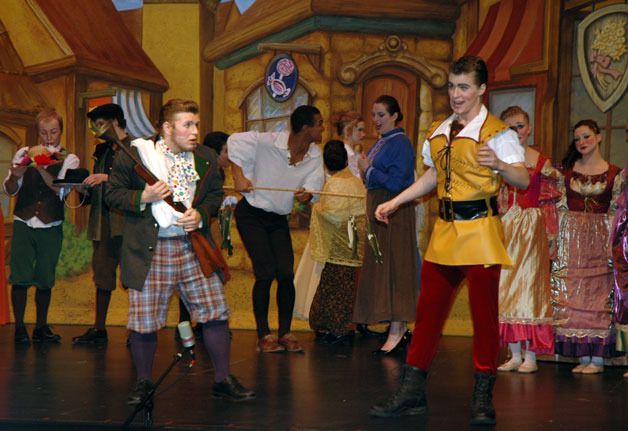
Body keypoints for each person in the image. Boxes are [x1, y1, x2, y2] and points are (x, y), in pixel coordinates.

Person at [369, 56, 529, 425]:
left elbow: (521, 178)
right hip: (445, 231)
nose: (456, 94)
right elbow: (432, 177)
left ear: (481, 89)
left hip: (481, 231)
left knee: (484, 316)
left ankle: (483, 395)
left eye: (464, 87)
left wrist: (500, 165)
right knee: (427, 314)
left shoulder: (497, 133)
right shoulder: (440, 130)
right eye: (452, 86)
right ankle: (412, 391)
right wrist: (396, 201)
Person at [105, 99, 254, 403]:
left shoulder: (206, 157)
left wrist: (201, 214)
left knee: (215, 312)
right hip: (151, 249)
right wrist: (143, 196)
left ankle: (222, 379)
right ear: (167, 127)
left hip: (193, 245)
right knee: (144, 321)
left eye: (196, 124)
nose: (195, 131)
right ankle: (144, 383)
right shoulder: (135, 154)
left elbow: (214, 195)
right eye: (188, 125)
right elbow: (113, 194)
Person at [228, 105, 324, 353]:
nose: (322, 129)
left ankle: (285, 333)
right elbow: (234, 140)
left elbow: (314, 184)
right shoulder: (268, 142)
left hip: (278, 218)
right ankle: (263, 335)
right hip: (251, 213)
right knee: (265, 272)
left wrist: (307, 194)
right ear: (306, 127)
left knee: (285, 272)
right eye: (319, 124)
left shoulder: (315, 155)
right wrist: (238, 176)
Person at [552, 119, 623, 374]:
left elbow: (616, 210)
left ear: (598, 137)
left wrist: (612, 240)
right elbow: (560, 207)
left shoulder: (614, 173)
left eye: (586, 136)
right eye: (577, 139)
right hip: (572, 238)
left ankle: (599, 358)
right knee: (574, 292)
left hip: (600, 237)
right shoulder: (566, 173)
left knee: (599, 293)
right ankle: (583, 355)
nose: (581, 142)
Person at [4, 108, 80, 343]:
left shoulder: (69, 158)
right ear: (38, 132)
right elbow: (10, 190)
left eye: (53, 132)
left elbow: (60, 189)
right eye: (44, 132)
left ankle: (40, 327)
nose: (49, 138)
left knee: (45, 277)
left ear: (60, 132)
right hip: (24, 221)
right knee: (20, 276)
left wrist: (41, 167)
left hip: (50, 223)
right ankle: (19, 328)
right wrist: (15, 175)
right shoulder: (24, 153)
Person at [352, 95, 418, 354]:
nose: (376, 120)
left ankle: (398, 326)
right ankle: (393, 323)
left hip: (395, 212)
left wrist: (368, 170)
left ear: (394, 116)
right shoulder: (382, 142)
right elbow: (373, 179)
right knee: (383, 266)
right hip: (379, 209)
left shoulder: (400, 143)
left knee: (397, 266)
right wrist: (366, 171)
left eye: (381, 115)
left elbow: (397, 183)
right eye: (374, 115)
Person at [496, 106, 559, 373]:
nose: (516, 131)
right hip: (507, 227)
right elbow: (498, 196)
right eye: (510, 128)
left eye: (520, 126)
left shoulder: (539, 160)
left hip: (532, 227)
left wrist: (551, 233)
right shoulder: (501, 160)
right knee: (507, 287)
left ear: (529, 128)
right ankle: (514, 354)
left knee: (531, 289)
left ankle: (531, 356)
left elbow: (549, 201)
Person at [73, 103, 130, 345]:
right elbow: (93, 193)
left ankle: (138, 330)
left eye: (101, 124)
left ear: (115, 122)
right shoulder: (102, 151)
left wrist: (107, 178)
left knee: (133, 277)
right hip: (103, 220)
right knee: (103, 274)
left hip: (128, 222)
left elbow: (142, 182)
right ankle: (99, 328)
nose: (97, 131)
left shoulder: (136, 148)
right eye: (95, 126)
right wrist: (82, 188)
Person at [308, 140, 366, 344]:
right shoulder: (356, 182)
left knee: (333, 286)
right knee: (348, 288)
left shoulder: (334, 183)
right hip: (355, 243)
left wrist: (316, 207)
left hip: (339, 246)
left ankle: (334, 328)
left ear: (325, 164)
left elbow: (333, 216)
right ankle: (344, 326)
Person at [178, 131, 230, 334]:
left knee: (206, 272)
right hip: (197, 230)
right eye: (226, 151)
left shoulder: (217, 172)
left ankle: (202, 322)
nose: (230, 156)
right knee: (196, 274)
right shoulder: (197, 168)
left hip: (206, 227)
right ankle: (193, 322)